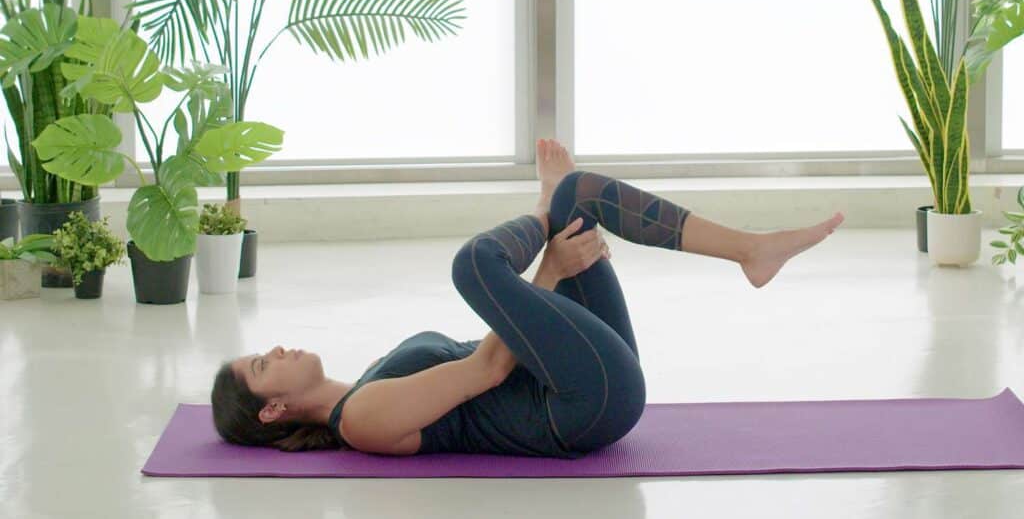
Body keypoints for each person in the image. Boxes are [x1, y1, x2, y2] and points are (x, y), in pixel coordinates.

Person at [211, 139, 844, 457]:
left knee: (579, 196)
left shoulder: (369, 383)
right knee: (473, 266)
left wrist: (551, 274)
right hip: (583, 406)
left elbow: (505, 349)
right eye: (263, 365)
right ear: (272, 412)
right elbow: (488, 368)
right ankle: (543, 208)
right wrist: (547, 272)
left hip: (581, 374)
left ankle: (748, 250)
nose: (277, 349)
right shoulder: (361, 421)